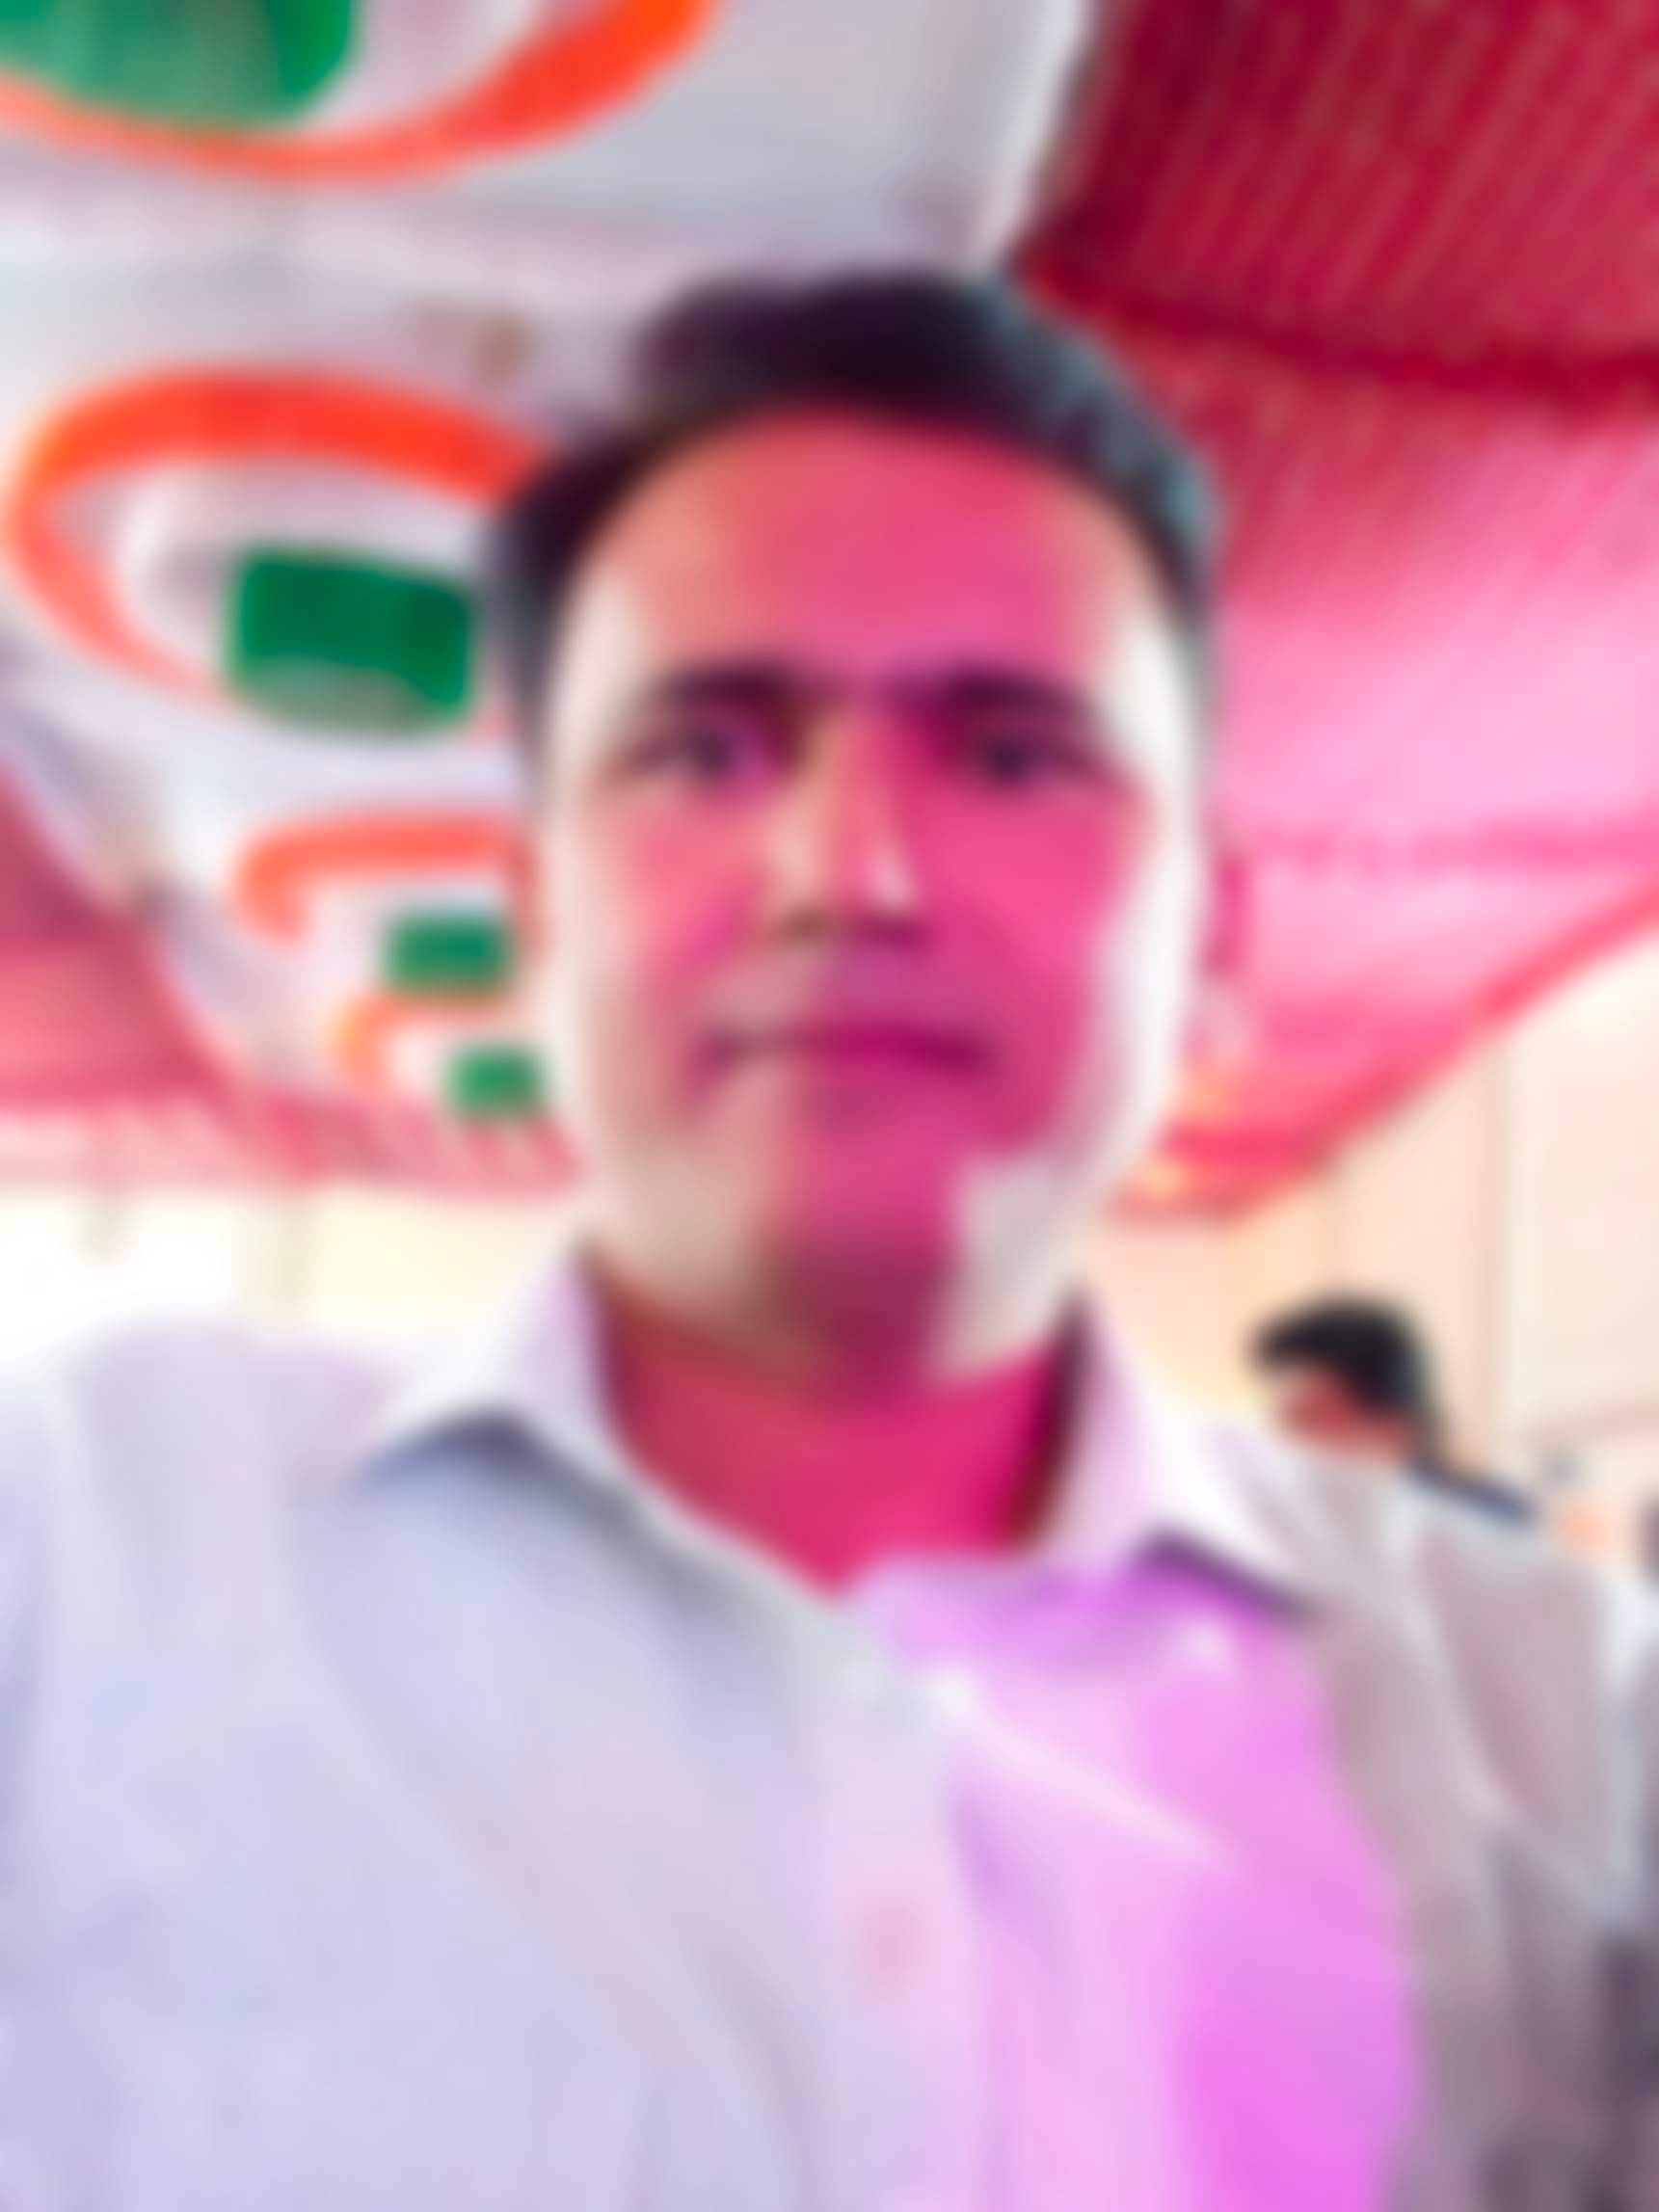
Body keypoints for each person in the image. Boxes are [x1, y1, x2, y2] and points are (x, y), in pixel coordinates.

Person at [2, 274, 1654, 2212]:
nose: (847, 874)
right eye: (705, 752)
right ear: (534, 912)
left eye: (1011, 756)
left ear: (1205, 933)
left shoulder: (1559, 1740)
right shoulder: (87, 1554)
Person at [1252, 1295, 1535, 1527]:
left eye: (1312, 1418)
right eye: (1287, 1419)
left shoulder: (1488, 1523)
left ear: (1391, 1422)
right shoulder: (1285, 1522)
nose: (1287, 1439)